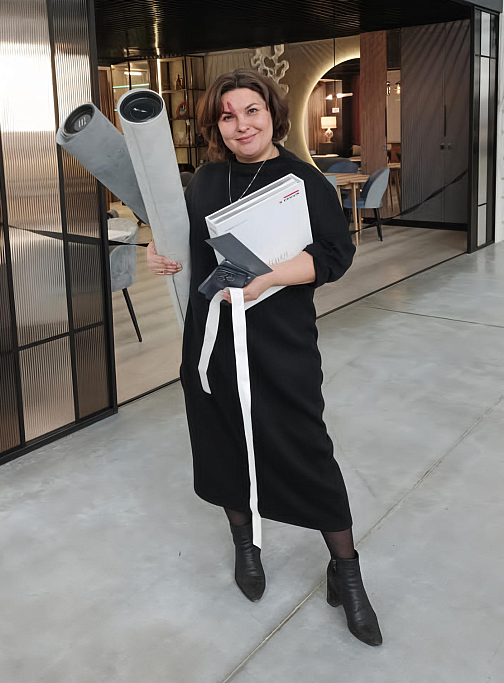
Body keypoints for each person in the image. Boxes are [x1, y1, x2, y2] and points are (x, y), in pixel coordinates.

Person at [147, 69, 382, 647]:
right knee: (224, 440)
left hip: (281, 342)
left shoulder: (303, 181)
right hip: (213, 343)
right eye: (228, 116)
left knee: (305, 448)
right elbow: (185, 243)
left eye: (251, 110)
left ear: (273, 114)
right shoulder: (205, 180)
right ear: (216, 126)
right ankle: (245, 545)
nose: (241, 125)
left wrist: (267, 277)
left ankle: (346, 572)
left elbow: (334, 254)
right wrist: (157, 250)